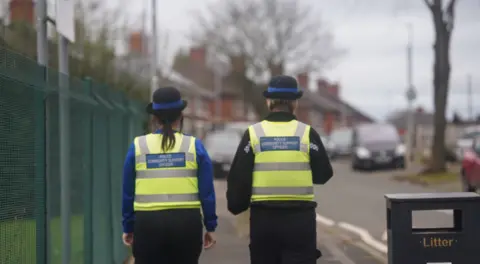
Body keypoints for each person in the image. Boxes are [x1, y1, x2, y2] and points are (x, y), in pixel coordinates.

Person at [226, 75, 334, 264]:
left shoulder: (254, 134)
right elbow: (323, 174)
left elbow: (239, 178)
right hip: (300, 221)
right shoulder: (307, 133)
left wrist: (236, 205)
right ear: (294, 103)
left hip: (264, 220)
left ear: (269, 102)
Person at [122, 86, 218, 264]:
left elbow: (128, 192)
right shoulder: (194, 146)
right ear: (181, 116)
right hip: (186, 224)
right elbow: (207, 192)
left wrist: (128, 226)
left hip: (147, 224)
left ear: (154, 117)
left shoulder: (138, 146)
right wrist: (210, 226)